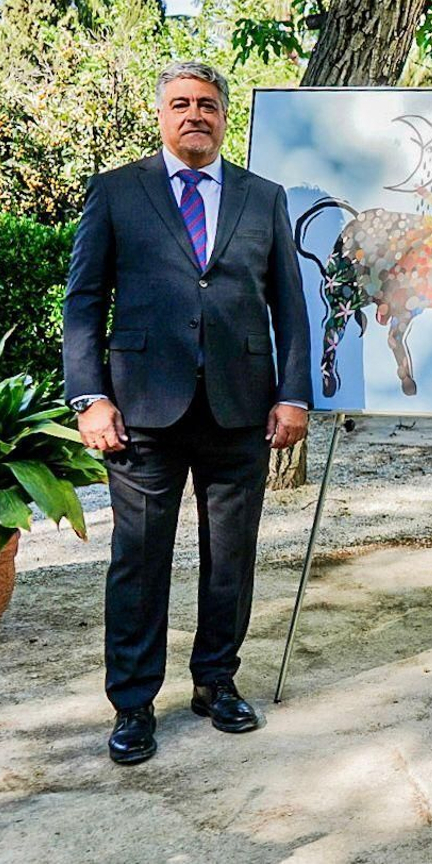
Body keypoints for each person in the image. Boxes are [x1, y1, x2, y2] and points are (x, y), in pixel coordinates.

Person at [64, 60, 311, 765]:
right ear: (162, 114)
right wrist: (90, 395)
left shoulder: (264, 198)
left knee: (230, 558)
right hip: (142, 410)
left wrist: (292, 394)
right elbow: (83, 301)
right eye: (181, 103)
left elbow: (289, 306)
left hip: (240, 409)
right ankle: (134, 702)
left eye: (207, 103)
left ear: (224, 115)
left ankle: (217, 681)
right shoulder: (116, 192)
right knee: (138, 562)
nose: (194, 113)